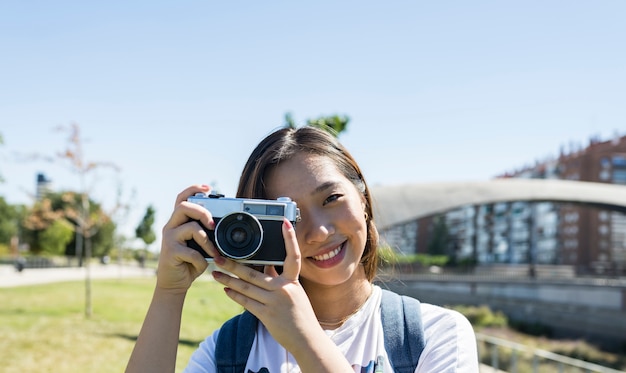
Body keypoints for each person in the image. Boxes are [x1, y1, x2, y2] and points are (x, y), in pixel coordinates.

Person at [126, 126, 478, 372]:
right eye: (289, 216)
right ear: (257, 231)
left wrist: (305, 339)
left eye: (331, 198)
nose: (319, 231)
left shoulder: (432, 336)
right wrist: (168, 292)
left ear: (364, 200)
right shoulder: (230, 351)